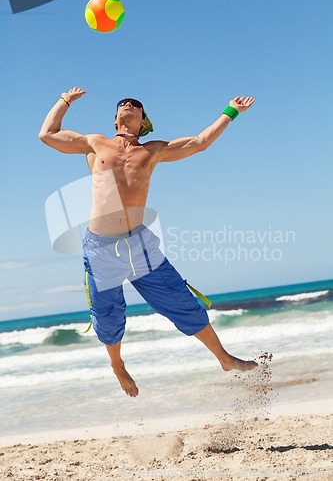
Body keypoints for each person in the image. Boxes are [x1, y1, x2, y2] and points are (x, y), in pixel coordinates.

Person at [39, 88, 257, 398]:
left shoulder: (153, 150)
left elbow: (199, 143)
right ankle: (117, 365)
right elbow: (47, 135)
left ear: (143, 121)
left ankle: (224, 358)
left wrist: (231, 111)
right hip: (100, 247)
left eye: (135, 105)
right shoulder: (94, 143)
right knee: (108, 316)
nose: (128, 105)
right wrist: (64, 101)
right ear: (116, 118)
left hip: (139, 243)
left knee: (180, 300)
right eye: (122, 105)